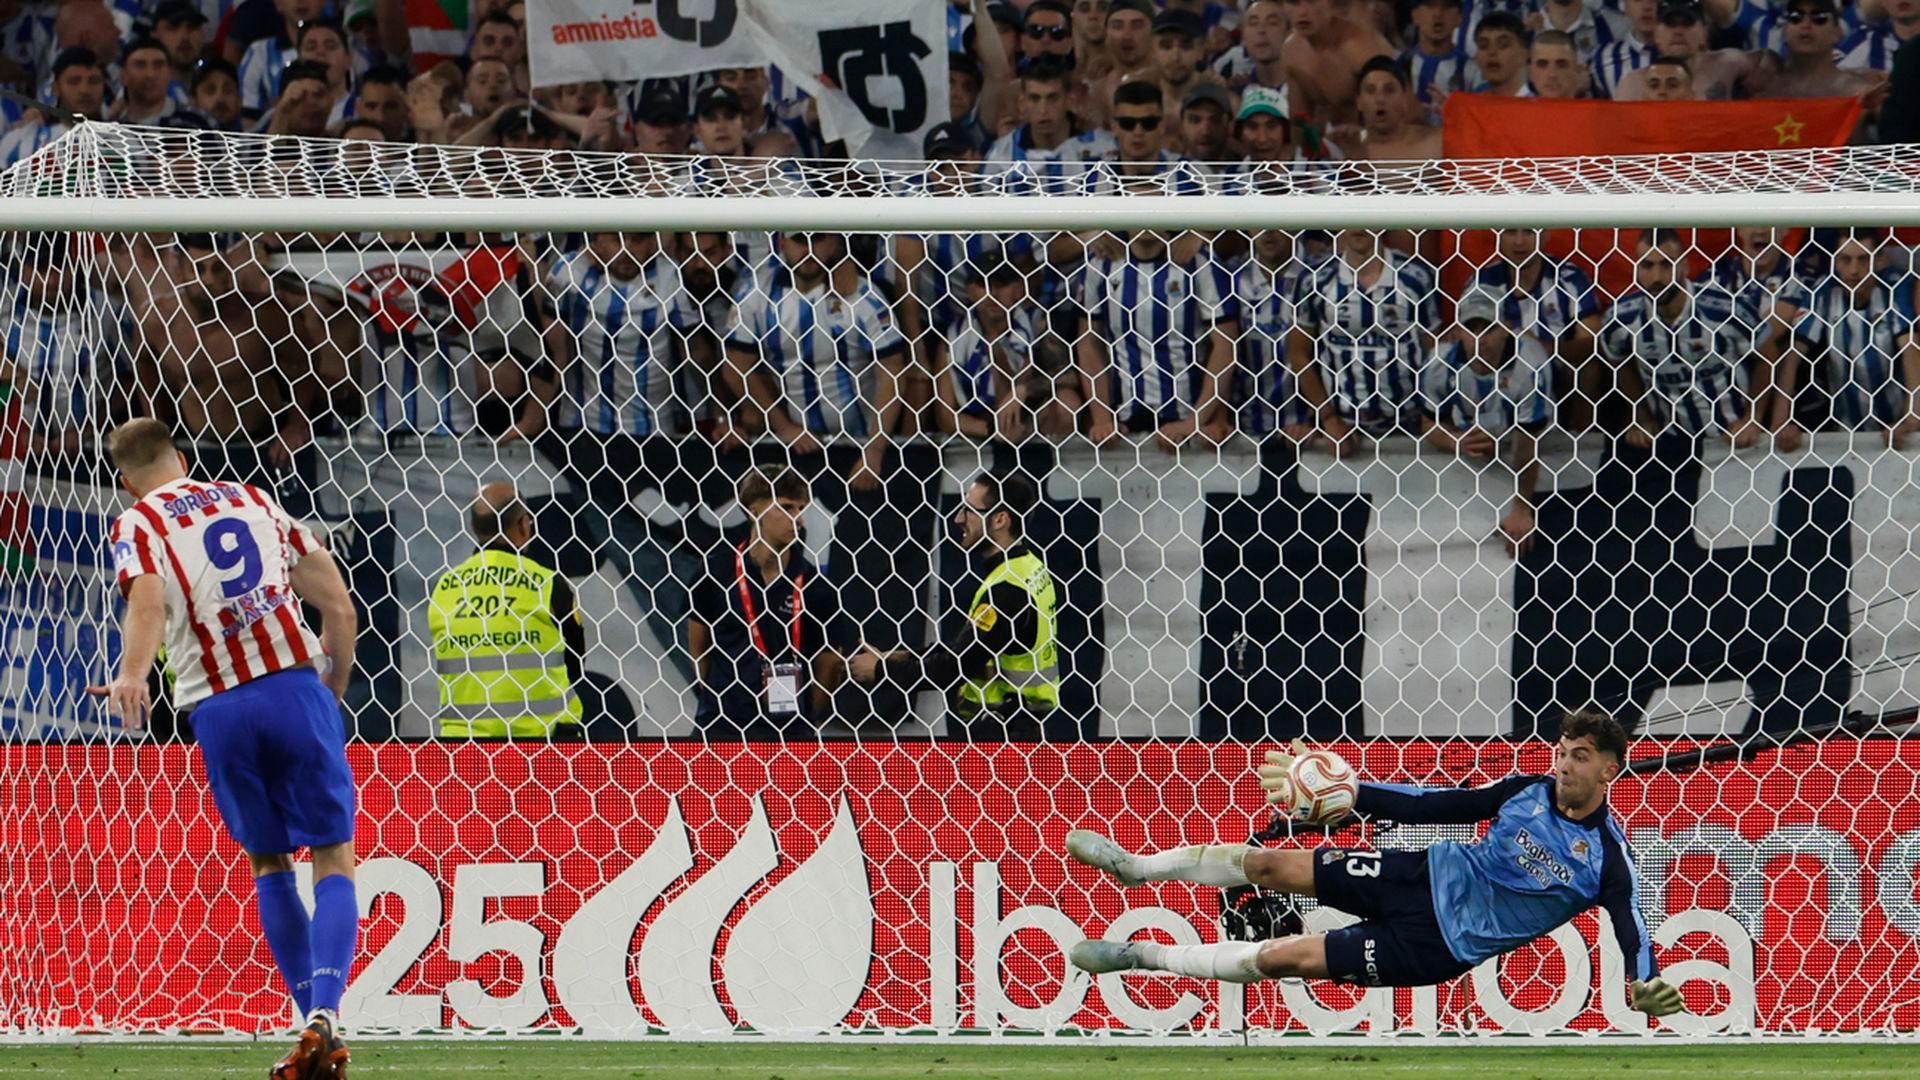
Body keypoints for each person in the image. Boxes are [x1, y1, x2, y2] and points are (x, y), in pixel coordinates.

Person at [1062, 710, 1686, 1023]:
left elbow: (1633, 929)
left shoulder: (1609, 860)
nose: (1562, 766)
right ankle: (1136, 867)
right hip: (1418, 874)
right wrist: (1356, 791)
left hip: (1435, 945)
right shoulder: (1525, 790)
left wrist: (1643, 983)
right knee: (1273, 864)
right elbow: (1438, 805)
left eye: (1578, 757)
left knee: (1284, 958)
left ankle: (1141, 957)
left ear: (1608, 769)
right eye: (1560, 752)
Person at [91, 418, 360, 1079]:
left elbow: (148, 605)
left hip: (218, 708)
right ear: (182, 457)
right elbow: (340, 608)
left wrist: (132, 673)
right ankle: (324, 1009)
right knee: (333, 854)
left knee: (270, 863)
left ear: (126, 482)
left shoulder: (136, 525)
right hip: (292, 690)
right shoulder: (252, 499)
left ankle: (315, 1031)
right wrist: (334, 691)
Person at [850, 472, 1059, 741]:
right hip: (1018, 727)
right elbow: (972, 649)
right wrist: (899, 657)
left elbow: (954, 667)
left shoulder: (1006, 591)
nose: (958, 518)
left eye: (969, 510)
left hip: (1005, 735)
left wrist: (879, 670)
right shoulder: (1029, 567)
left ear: (1000, 519)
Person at [724, 231, 910, 490]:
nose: (809, 249)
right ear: (783, 244)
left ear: (833, 241)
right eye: (800, 240)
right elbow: (735, 369)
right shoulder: (756, 295)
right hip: (790, 450)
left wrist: (874, 450)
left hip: (857, 447)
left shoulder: (863, 295)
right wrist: (783, 426)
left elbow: (892, 371)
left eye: (818, 239)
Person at [688, 467, 847, 738]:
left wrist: (802, 718)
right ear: (755, 511)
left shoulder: (817, 587)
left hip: (789, 733)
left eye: (801, 508)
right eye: (786, 507)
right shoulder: (715, 572)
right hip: (722, 728)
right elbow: (698, 648)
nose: (798, 519)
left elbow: (829, 666)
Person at [427, 482, 585, 739]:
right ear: (524, 524)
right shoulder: (547, 583)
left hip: (464, 752)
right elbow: (575, 664)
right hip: (544, 749)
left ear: (473, 529)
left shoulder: (445, 588)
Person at [1602, 229, 1774, 448]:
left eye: (1666, 265)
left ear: (1684, 266)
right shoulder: (1620, 319)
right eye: (1647, 266)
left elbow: (1768, 358)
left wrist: (1752, 419)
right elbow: (1619, 363)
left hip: (1732, 440)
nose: (1656, 277)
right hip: (1669, 444)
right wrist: (1642, 417)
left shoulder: (1727, 310)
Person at [1419, 286, 1553, 555]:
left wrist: (1521, 510)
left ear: (1507, 328)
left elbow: (1529, 446)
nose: (1480, 340)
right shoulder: (1438, 365)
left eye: (1489, 329)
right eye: (1471, 328)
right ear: (1456, 331)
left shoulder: (1531, 367)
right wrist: (1454, 440)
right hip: (1468, 454)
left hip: (1524, 443)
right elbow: (1428, 425)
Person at [1289, 228, 1440, 455]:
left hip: (1410, 424)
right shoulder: (1316, 277)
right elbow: (1298, 353)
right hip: (1343, 427)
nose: (1358, 226)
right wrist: (1328, 417)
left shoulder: (1416, 276)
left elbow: (1434, 352)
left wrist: (1432, 417)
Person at [1775, 232, 1920, 449]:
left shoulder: (1894, 286)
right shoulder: (1823, 291)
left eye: (1863, 259)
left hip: (1896, 427)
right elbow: (1792, 357)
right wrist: (1780, 423)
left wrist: (1911, 419)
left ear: (1879, 260)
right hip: (1845, 432)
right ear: (1834, 261)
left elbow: (1910, 350)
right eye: (1845, 259)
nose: (1854, 270)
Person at [1279, 0, 1398, 127]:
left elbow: (1405, 117)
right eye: (1293, 2)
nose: (1302, 12)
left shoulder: (1361, 48)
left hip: (1383, 141)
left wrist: (1362, 134)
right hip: (1333, 142)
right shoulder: (1291, 51)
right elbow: (1300, 126)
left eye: (1312, 1)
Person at [1402, 0, 1476, 111]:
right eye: (1430, 5)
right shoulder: (1398, 65)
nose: (1438, 13)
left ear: (1460, 18)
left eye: (1447, 6)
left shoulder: (1472, 71)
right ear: (1415, 15)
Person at [1591, 0, 1659, 98]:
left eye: (1654, 0)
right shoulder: (1603, 58)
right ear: (1625, 7)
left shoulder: (1682, 54)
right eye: (1638, 0)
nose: (1646, 7)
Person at [1473, 12, 1536, 95]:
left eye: (1503, 45)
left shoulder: (1538, 107)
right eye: (1484, 46)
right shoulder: (1469, 104)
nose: (1492, 52)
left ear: (1524, 54)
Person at [1527, 29, 1590, 97]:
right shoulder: (1515, 107)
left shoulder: (1600, 107)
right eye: (1542, 64)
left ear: (1577, 71)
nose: (1552, 74)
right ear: (1530, 73)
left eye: (1562, 65)